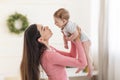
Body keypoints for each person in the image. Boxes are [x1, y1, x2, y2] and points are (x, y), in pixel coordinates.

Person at [20, 24, 87, 80]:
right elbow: (82, 63)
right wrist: (77, 39)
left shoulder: (49, 49)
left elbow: (72, 56)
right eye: (43, 29)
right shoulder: (49, 55)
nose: (47, 27)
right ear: (40, 39)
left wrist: (72, 38)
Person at [53, 8, 93, 77]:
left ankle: (91, 70)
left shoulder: (69, 25)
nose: (55, 23)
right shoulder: (63, 27)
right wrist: (65, 43)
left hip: (85, 40)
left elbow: (76, 33)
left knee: (86, 55)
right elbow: (64, 36)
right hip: (78, 41)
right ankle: (82, 66)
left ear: (64, 21)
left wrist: (69, 39)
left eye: (56, 21)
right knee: (81, 56)